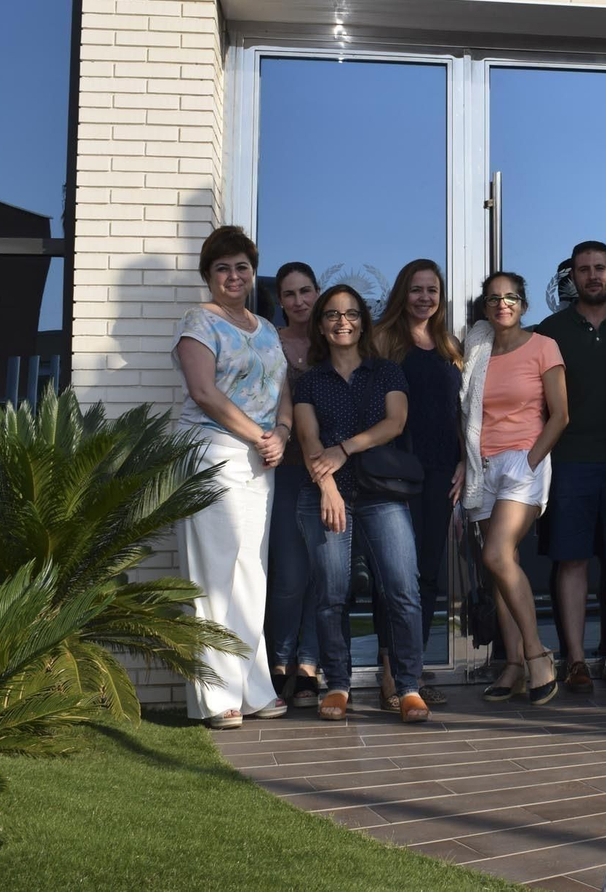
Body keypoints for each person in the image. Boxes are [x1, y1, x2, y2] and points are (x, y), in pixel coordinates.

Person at [292, 284, 430, 724]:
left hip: (383, 496)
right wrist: (328, 488)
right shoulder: (310, 380)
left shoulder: (385, 372)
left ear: (363, 322)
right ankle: (338, 684)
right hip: (330, 496)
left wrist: (345, 449)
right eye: (332, 315)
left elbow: (395, 423)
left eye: (351, 314)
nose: (342, 322)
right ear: (321, 324)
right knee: (332, 595)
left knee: (403, 591)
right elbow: (309, 439)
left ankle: (409, 686)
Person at [172, 225, 291, 729]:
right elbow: (203, 392)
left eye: (241, 266)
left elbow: (283, 388)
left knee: (250, 575)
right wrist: (258, 436)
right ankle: (215, 696)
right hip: (212, 452)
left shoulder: (266, 328)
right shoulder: (199, 320)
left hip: (257, 460)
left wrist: (281, 431)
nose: (233, 275)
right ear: (208, 276)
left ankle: (253, 687)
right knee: (213, 574)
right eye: (222, 267)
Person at [536, 242, 606, 695]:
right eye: (584, 270)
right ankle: (575, 659)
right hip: (569, 462)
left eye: (599, 268)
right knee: (572, 560)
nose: (592, 276)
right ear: (572, 277)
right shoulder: (549, 331)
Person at [460, 271, 567, 706]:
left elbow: (560, 414)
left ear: (523, 305)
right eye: (493, 299)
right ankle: (514, 666)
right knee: (501, 566)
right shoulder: (477, 351)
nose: (502, 304)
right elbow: (466, 414)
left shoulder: (543, 346)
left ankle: (537, 653)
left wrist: (532, 458)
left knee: (496, 553)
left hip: (524, 461)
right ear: (484, 308)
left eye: (510, 298)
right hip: (482, 465)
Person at [371, 258, 465, 708]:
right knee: (395, 575)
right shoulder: (382, 340)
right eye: (416, 289)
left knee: (426, 574)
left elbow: (460, 412)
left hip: (442, 473)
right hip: (394, 472)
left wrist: (465, 462)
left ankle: (412, 669)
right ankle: (390, 672)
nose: (424, 298)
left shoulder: (450, 344)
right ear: (402, 293)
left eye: (432, 290)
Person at [265, 261, 321, 709]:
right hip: (284, 468)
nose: (299, 301)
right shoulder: (269, 341)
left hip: (330, 469)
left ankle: (308, 665)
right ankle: (277, 660)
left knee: (324, 574)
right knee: (289, 576)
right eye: (290, 294)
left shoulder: (334, 342)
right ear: (279, 300)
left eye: (306, 291)